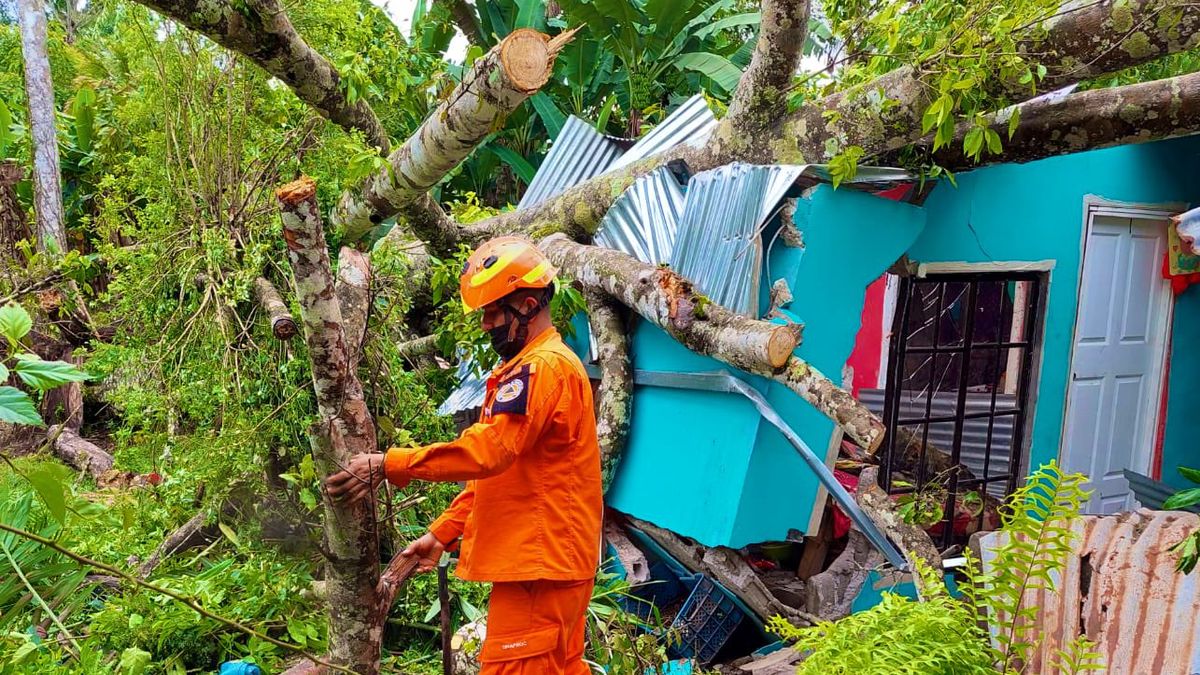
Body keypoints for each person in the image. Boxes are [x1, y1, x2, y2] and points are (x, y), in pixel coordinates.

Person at [326, 236, 603, 674]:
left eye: (494, 312)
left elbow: (488, 453)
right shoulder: (529, 368)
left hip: (539, 570)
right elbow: (500, 476)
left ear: (528, 305)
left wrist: (389, 463)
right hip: (543, 567)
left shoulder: (542, 368)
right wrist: (442, 534)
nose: (486, 324)